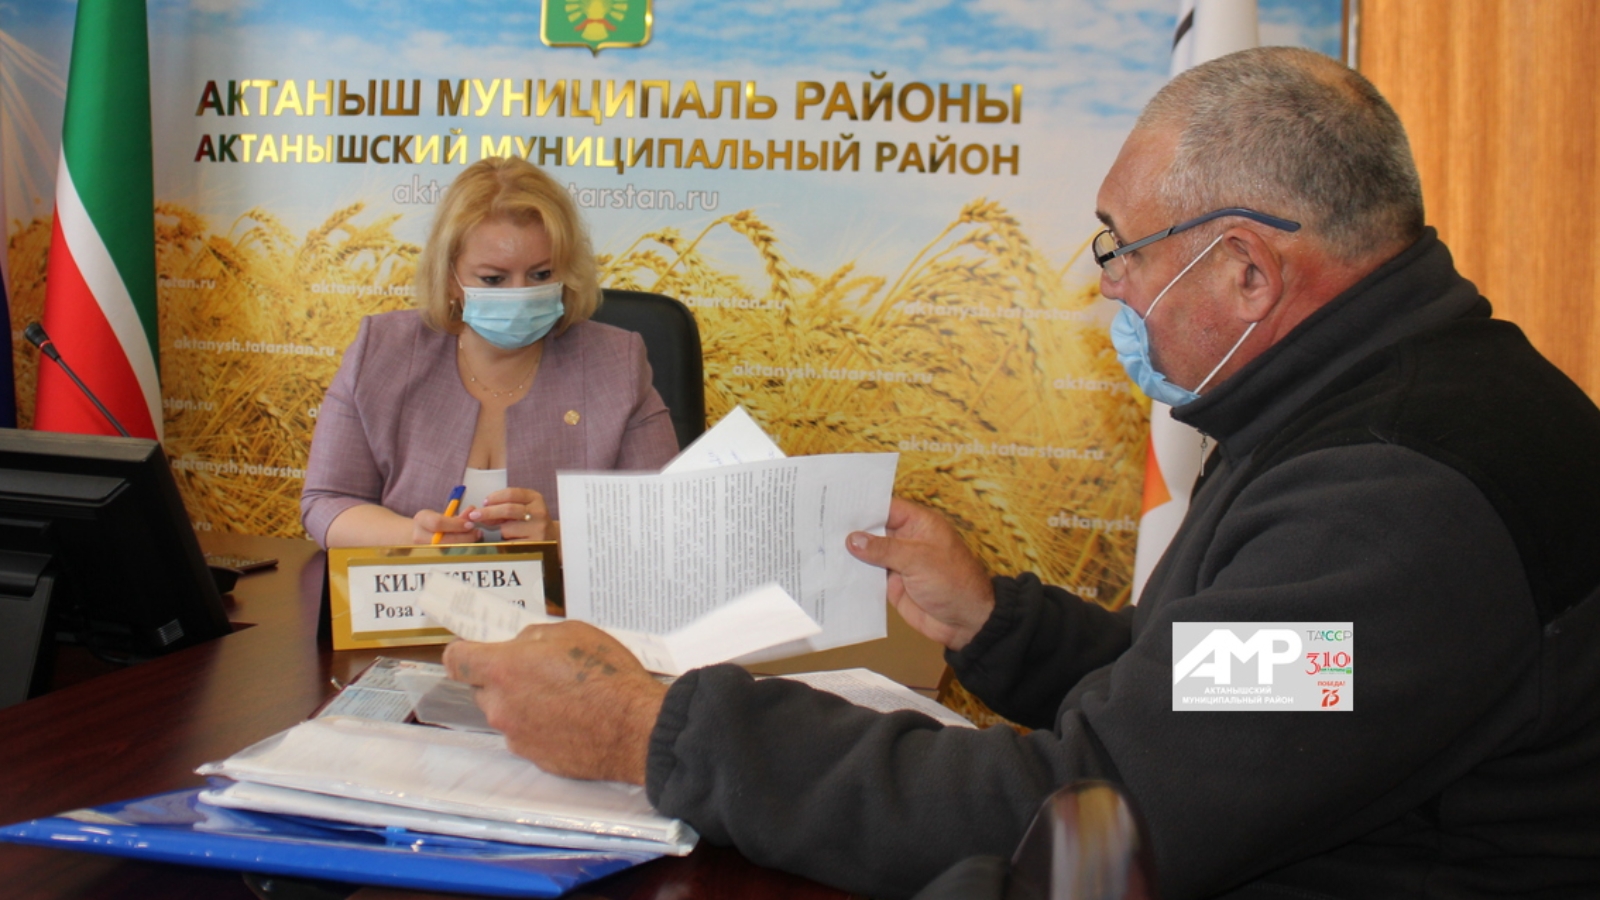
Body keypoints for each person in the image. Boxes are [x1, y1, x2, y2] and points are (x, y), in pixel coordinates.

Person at [443, 48, 1600, 899]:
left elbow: (1089, 823)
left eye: (1119, 247)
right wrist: (997, 622)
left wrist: (652, 730)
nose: (1105, 285)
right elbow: (1216, 694)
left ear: (1246, 272)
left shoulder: (1394, 508)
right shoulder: (1376, 411)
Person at [301, 157, 679, 549]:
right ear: (450, 278)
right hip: (415, 586)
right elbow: (326, 502)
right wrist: (415, 538)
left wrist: (558, 538)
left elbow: (662, 517)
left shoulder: (616, 362)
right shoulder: (381, 350)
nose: (520, 295)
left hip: (560, 590)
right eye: (494, 279)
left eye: (541, 275)